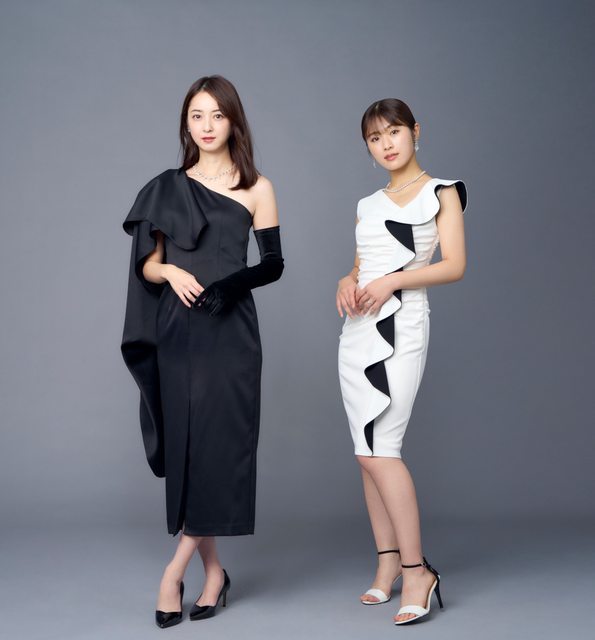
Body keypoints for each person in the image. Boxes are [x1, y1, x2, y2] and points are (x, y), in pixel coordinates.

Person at [120, 75, 284, 628]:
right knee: (191, 450)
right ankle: (215, 573)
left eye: (217, 115)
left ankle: (174, 572)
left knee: (216, 445)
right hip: (177, 330)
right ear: (186, 124)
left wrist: (229, 287)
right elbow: (147, 265)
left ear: (233, 121)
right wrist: (169, 272)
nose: (207, 126)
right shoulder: (165, 188)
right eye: (197, 115)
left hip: (230, 330)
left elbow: (273, 264)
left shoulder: (257, 186)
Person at [337, 98, 468, 625]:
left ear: (415, 131)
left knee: (383, 449)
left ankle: (417, 571)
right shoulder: (367, 204)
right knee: (365, 451)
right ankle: (388, 561)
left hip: (403, 324)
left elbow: (454, 265)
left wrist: (392, 281)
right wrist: (346, 281)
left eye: (393, 131)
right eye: (374, 138)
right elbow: (360, 267)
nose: (386, 143)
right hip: (357, 330)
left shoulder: (442, 192)